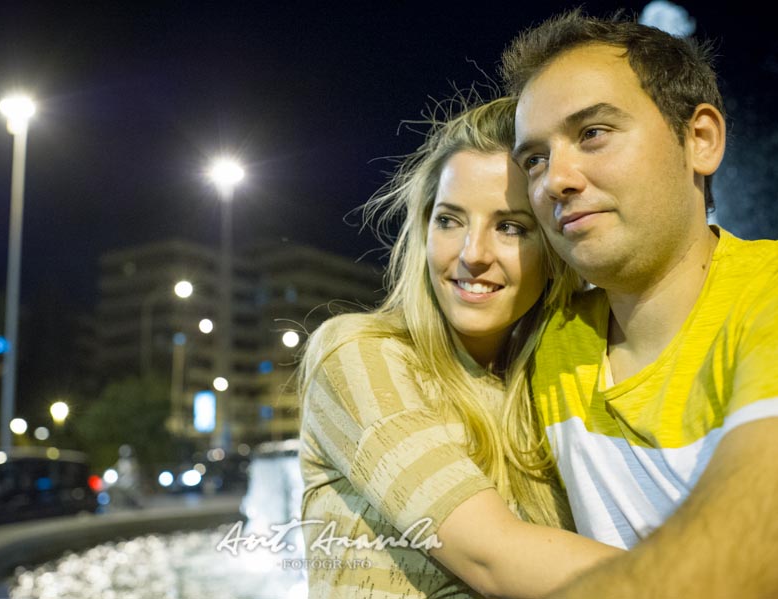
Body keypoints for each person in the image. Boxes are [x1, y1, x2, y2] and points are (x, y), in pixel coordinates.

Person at [298, 96, 620, 599]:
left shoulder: (552, 379)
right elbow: (492, 555)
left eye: (510, 227)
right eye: (449, 220)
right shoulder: (359, 354)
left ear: (554, 249)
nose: (472, 255)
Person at [503, 10, 778, 598]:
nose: (556, 179)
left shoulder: (768, 295)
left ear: (699, 139)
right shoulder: (543, 347)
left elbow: (754, 543)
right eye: (534, 159)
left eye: (593, 133)